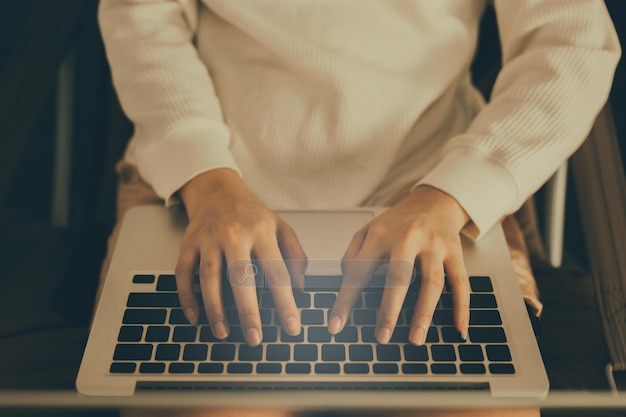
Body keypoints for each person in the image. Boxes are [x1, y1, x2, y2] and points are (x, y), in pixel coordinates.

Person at [97, 0, 621, 416]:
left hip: (436, 203)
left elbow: (572, 41)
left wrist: (451, 195)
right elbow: (142, 15)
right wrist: (207, 180)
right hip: (207, 192)